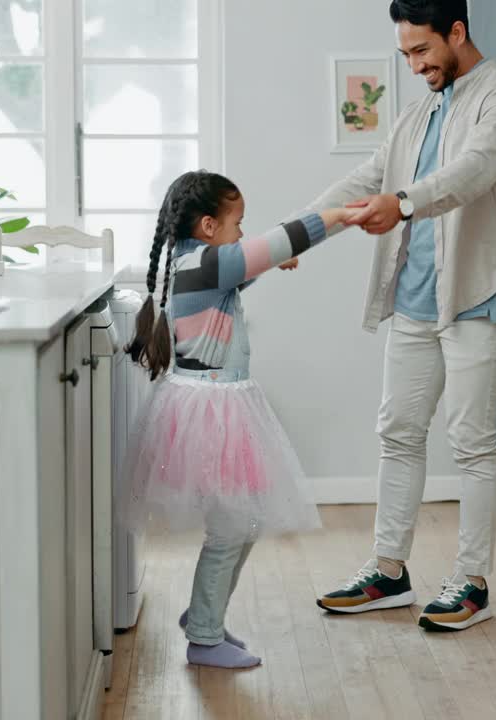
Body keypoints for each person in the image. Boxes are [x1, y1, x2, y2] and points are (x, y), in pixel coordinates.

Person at [305, 0, 496, 632]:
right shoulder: (418, 113)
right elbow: (368, 176)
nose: (413, 65)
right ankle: (388, 571)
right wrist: (300, 233)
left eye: (421, 51)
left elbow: (468, 176)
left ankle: (471, 582)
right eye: (405, 53)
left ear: (457, 32)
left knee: (471, 443)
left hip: (476, 295)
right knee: (398, 433)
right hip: (414, 297)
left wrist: (403, 203)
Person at [123, 170, 357, 667]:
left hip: (219, 406)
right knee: (231, 527)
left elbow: (247, 265)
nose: (241, 234)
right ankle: (204, 638)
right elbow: (266, 248)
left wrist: (272, 262)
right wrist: (335, 217)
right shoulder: (208, 263)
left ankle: (203, 616)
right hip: (213, 412)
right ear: (209, 226)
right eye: (236, 225)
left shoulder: (197, 262)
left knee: (241, 522)